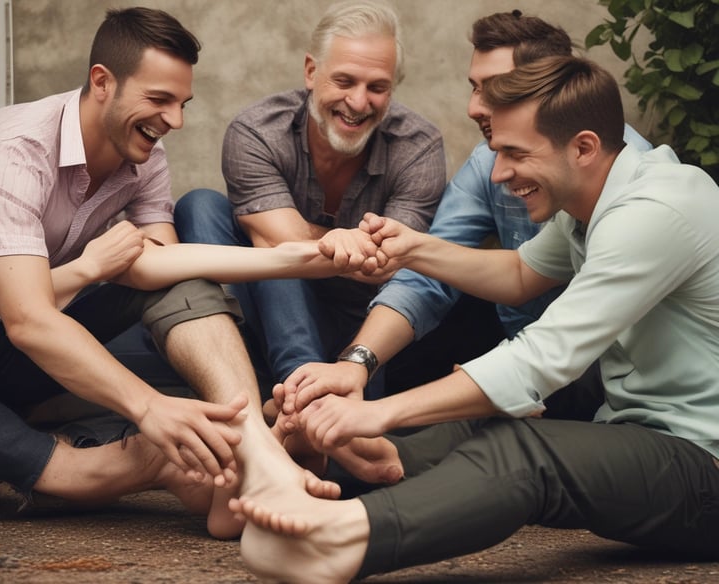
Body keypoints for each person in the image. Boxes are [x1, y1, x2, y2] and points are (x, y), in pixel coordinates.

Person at [228, 55, 719, 582]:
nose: (500, 172)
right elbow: (518, 273)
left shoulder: (653, 212)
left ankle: (337, 536)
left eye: (513, 153)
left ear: (583, 147)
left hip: (703, 470)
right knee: (502, 408)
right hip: (640, 431)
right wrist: (415, 249)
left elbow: (539, 360)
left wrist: (380, 410)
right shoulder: (596, 200)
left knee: (526, 446)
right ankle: (382, 458)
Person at [0, 6, 371, 535]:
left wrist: (302, 257)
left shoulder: (144, 155)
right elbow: (27, 318)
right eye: (159, 100)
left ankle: (256, 455)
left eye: (182, 102)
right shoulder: (15, 148)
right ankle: (79, 460)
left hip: (25, 357)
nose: (174, 120)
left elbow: (163, 268)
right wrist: (148, 406)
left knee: (179, 294)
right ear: (102, 82)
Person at [277, 10, 651, 417]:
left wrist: (491, 381)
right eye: (474, 88)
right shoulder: (484, 164)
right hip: (522, 357)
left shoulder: (632, 186)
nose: (474, 107)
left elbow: (563, 346)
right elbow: (457, 276)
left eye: (495, 89)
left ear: (550, 87)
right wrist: (357, 362)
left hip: (607, 376)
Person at [174, 0, 488, 402]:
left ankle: (295, 399)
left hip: (357, 339)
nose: (359, 102)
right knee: (201, 207)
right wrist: (341, 239)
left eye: (377, 87)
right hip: (260, 320)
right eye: (344, 81)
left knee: (281, 246)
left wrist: (318, 240)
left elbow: (386, 263)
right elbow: (283, 247)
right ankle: (301, 394)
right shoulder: (256, 131)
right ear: (311, 71)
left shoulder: (418, 146)